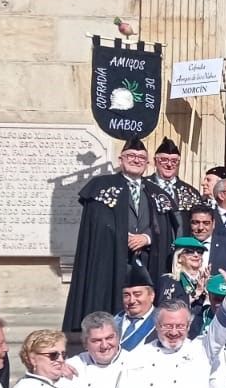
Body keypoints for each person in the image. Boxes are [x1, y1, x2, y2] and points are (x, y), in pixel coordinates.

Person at [63, 137, 177, 333]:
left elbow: (166, 228)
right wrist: (120, 236)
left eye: (142, 157)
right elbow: (97, 224)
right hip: (110, 263)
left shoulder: (156, 192)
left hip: (147, 261)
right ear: (120, 159)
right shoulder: (102, 187)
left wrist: (147, 238)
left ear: (148, 162)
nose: (136, 160)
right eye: (131, 156)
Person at [161, 235, 214, 333]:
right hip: (179, 333)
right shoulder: (169, 280)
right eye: (190, 251)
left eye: (199, 252)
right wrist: (196, 293)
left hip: (207, 332)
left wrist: (209, 291)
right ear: (179, 257)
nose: (196, 255)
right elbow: (166, 309)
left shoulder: (209, 280)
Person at [149, 137, 204, 213]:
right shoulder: (144, 187)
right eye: (164, 160)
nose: (169, 164)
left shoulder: (191, 193)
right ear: (155, 161)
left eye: (174, 161)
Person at [118, 263, 158, 350]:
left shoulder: (162, 323)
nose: (132, 300)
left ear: (152, 296)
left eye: (137, 294)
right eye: (126, 295)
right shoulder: (112, 321)